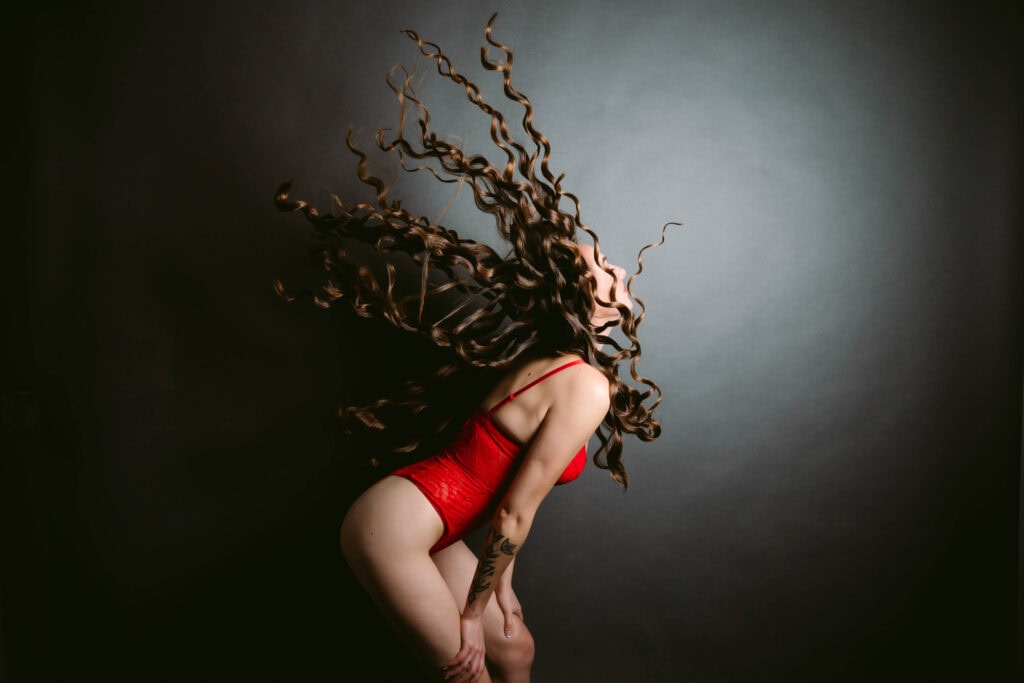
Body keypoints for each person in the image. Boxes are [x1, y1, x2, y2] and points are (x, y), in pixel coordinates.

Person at [274, 13, 672, 682]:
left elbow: (508, 493)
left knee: (515, 648)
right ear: (583, 297)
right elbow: (515, 508)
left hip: (442, 524)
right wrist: (470, 614)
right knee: (470, 668)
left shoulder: (553, 364)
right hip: (393, 524)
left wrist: (499, 591)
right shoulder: (583, 384)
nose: (620, 269)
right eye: (604, 263)